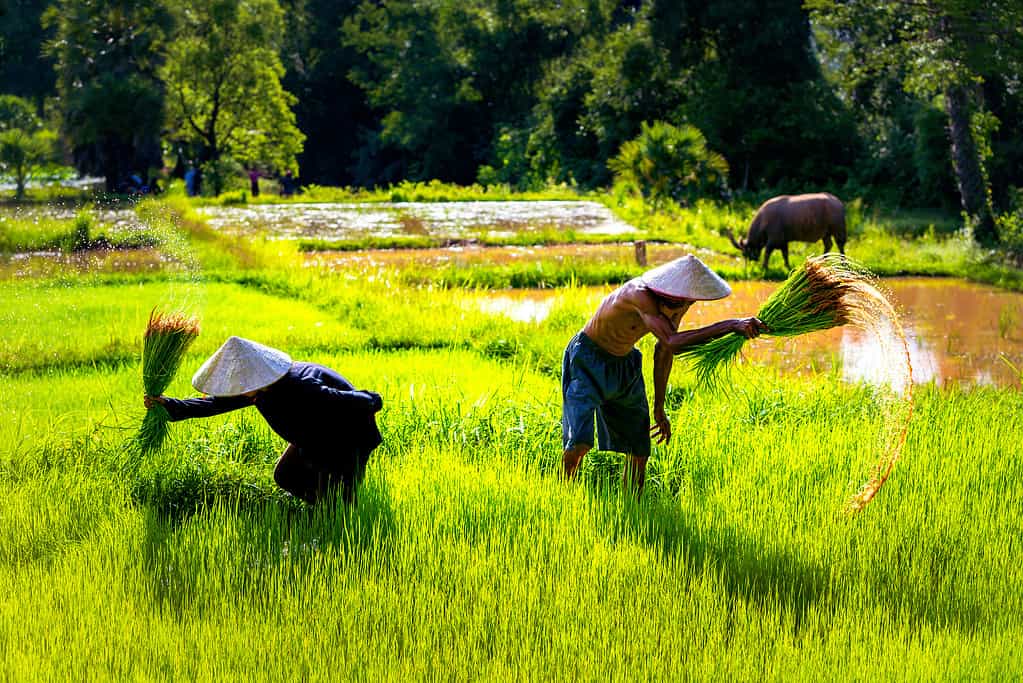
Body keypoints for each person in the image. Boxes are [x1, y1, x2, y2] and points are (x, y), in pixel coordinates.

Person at [561, 255, 767, 493]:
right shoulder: (638, 294)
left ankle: (633, 506)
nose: (683, 305)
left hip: (626, 364)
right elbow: (673, 342)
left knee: (638, 449)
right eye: (680, 299)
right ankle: (564, 496)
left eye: (688, 300)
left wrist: (659, 408)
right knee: (580, 443)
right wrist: (731, 325)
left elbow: (664, 351)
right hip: (588, 360)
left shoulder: (680, 305)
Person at [144, 336, 384, 505]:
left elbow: (350, 400)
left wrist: (373, 400)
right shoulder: (259, 390)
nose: (236, 390)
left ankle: (341, 522)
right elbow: (215, 403)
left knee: (345, 496)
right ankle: (325, 510)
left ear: (255, 377)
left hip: (348, 435)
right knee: (287, 475)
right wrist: (169, 405)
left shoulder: (303, 386)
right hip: (313, 435)